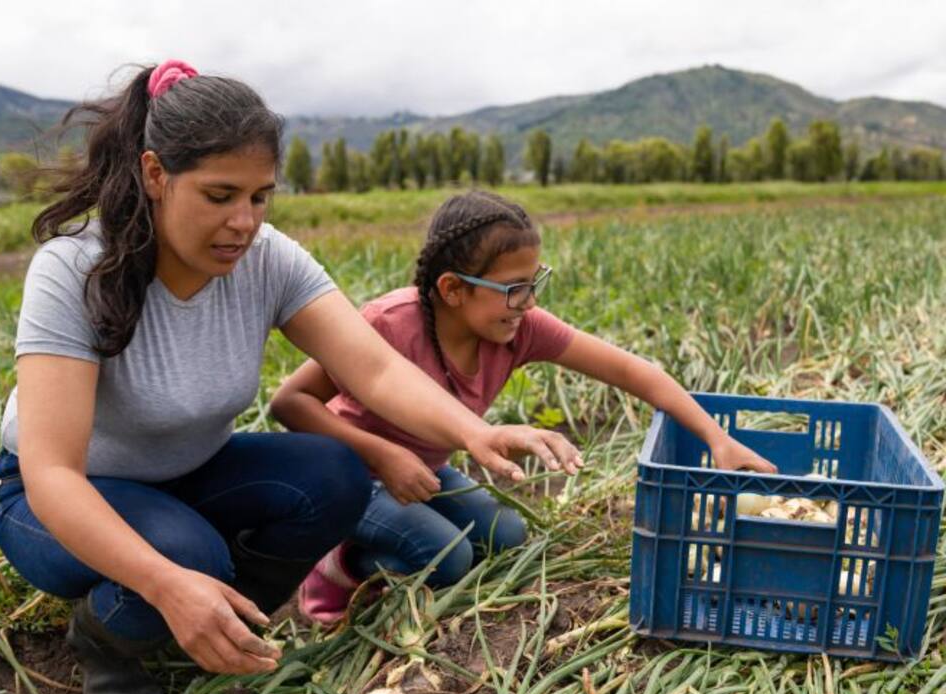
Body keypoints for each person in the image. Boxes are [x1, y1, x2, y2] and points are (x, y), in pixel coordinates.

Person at [0, 66, 576, 694]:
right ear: (155, 174)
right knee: (185, 557)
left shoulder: (267, 259)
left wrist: (475, 432)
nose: (243, 222)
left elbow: (374, 370)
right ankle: (108, 642)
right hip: (52, 498)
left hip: (190, 473)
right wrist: (166, 582)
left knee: (335, 473)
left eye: (260, 197)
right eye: (219, 196)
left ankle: (225, 620)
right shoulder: (76, 269)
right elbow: (53, 473)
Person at [271, 191, 777, 623]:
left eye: (534, 283)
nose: (529, 302)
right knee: (447, 556)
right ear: (452, 289)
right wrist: (382, 456)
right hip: (350, 478)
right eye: (514, 289)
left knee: (507, 536)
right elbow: (290, 402)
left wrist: (718, 439)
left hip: (424, 471)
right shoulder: (388, 323)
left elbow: (632, 371)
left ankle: (385, 549)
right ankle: (337, 567)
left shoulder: (519, 328)